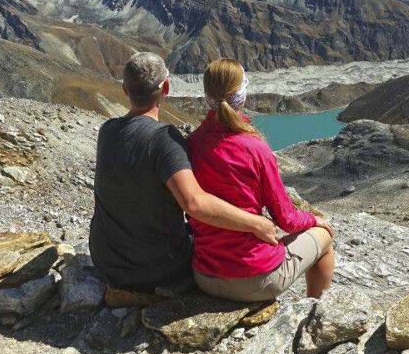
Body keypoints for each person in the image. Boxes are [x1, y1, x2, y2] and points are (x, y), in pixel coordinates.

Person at [89, 52, 279, 292]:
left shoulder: (107, 131)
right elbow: (195, 203)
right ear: (166, 87)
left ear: (125, 90)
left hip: (105, 261)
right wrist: (256, 223)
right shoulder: (164, 139)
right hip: (155, 269)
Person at [187, 58, 335, 302]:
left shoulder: (190, 144)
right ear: (241, 95)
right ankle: (315, 313)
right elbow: (286, 218)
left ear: (207, 96)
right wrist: (314, 219)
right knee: (325, 237)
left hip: (204, 276)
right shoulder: (254, 147)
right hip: (254, 279)